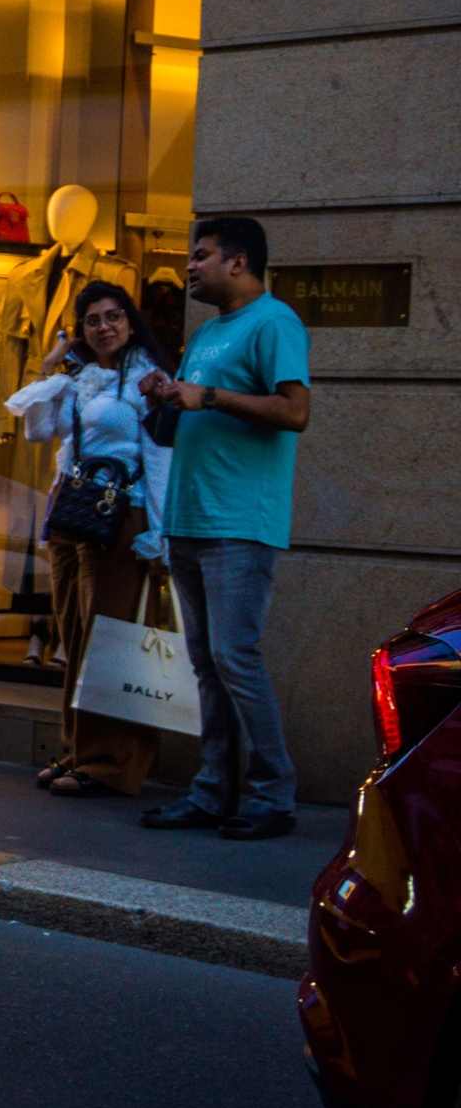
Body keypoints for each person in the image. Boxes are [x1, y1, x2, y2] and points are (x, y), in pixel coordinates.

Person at [137, 215, 311, 841]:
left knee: (235, 657)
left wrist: (207, 396)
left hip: (240, 521)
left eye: (201, 255)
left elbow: (294, 411)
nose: (190, 266)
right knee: (207, 664)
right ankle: (214, 791)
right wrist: (167, 394)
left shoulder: (275, 321)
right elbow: (189, 410)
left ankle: (273, 795)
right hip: (189, 519)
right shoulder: (207, 332)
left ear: (238, 262)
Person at [6, 280, 173, 797]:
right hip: (72, 513)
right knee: (75, 636)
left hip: (123, 515)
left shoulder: (149, 377)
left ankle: (113, 762)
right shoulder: (83, 378)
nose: (105, 327)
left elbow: (163, 459)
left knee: (111, 638)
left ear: (131, 321)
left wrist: (159, 536)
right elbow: (37, 431)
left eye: (113, 316)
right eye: (93, 320)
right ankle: (82, 749)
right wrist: (48, 366)